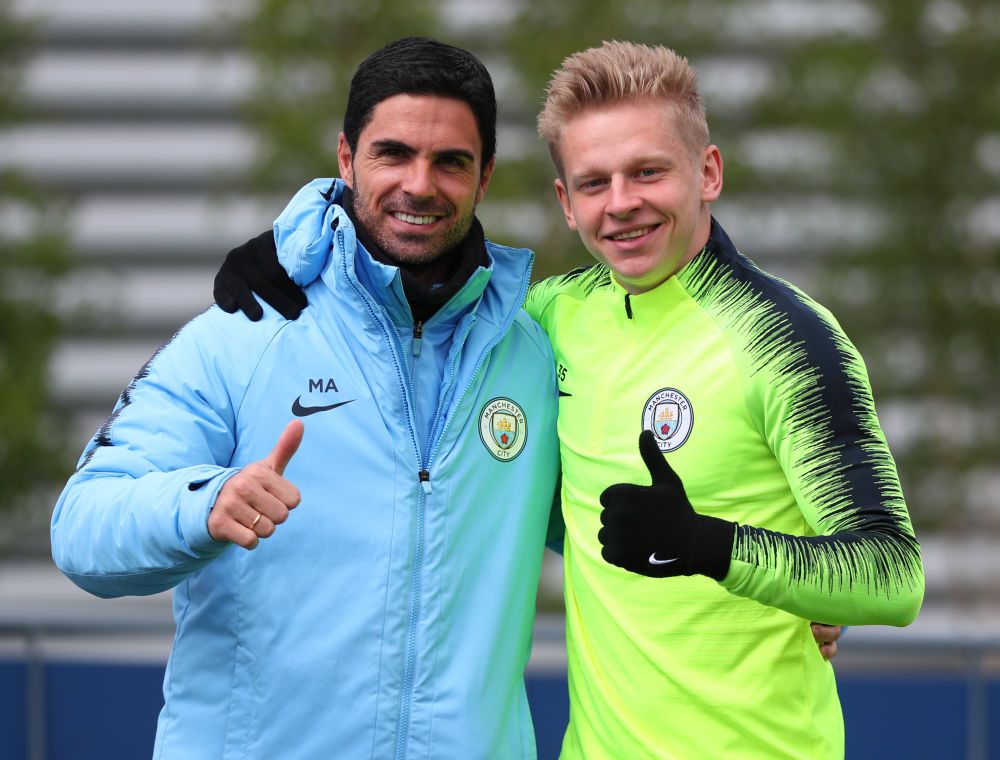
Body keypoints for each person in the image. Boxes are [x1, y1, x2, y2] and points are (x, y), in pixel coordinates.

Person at [218, 41, 924, 759]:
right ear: (565, 202)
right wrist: (288, 252)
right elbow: (414, 282)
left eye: (648, 172)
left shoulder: (785, 338)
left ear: (707, 172)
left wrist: (712, 547)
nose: (621, 204)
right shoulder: (550, 318)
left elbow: (892, 575)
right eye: (594, 182)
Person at [50, 38, 562, 760]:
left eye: (451, 161)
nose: (421, 184)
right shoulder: (244, 330)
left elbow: (616, 535)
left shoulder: (532, 357)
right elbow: (81, 527)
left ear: (485, 178)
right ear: (347, 160)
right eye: (393, 154)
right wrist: (206, 502)